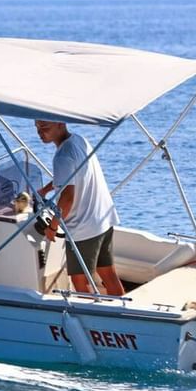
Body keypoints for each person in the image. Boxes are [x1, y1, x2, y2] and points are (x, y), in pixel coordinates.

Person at [35, 120, 125, 296]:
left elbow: (67, 198)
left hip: (84, 228)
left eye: (45, 127)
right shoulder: (79, 141)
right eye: (37, 128)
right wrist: (45, 190)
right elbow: (72, 177)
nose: (40, 132)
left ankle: (92, 319)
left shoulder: (62, 156)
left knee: (79, 280)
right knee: (108, 274)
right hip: (103, 219)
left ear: (60, 124)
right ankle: (124, 313)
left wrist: (53, 227)